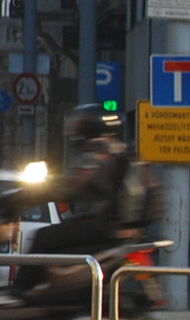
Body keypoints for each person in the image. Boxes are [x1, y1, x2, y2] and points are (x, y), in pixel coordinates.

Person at [13, 107, 140, 291]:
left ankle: (21, 290)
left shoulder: (98, 150)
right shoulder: (122, 151)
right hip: (120, 228)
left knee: (44, 237)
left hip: (102, 225)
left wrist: (22, 198)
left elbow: (71, 185)